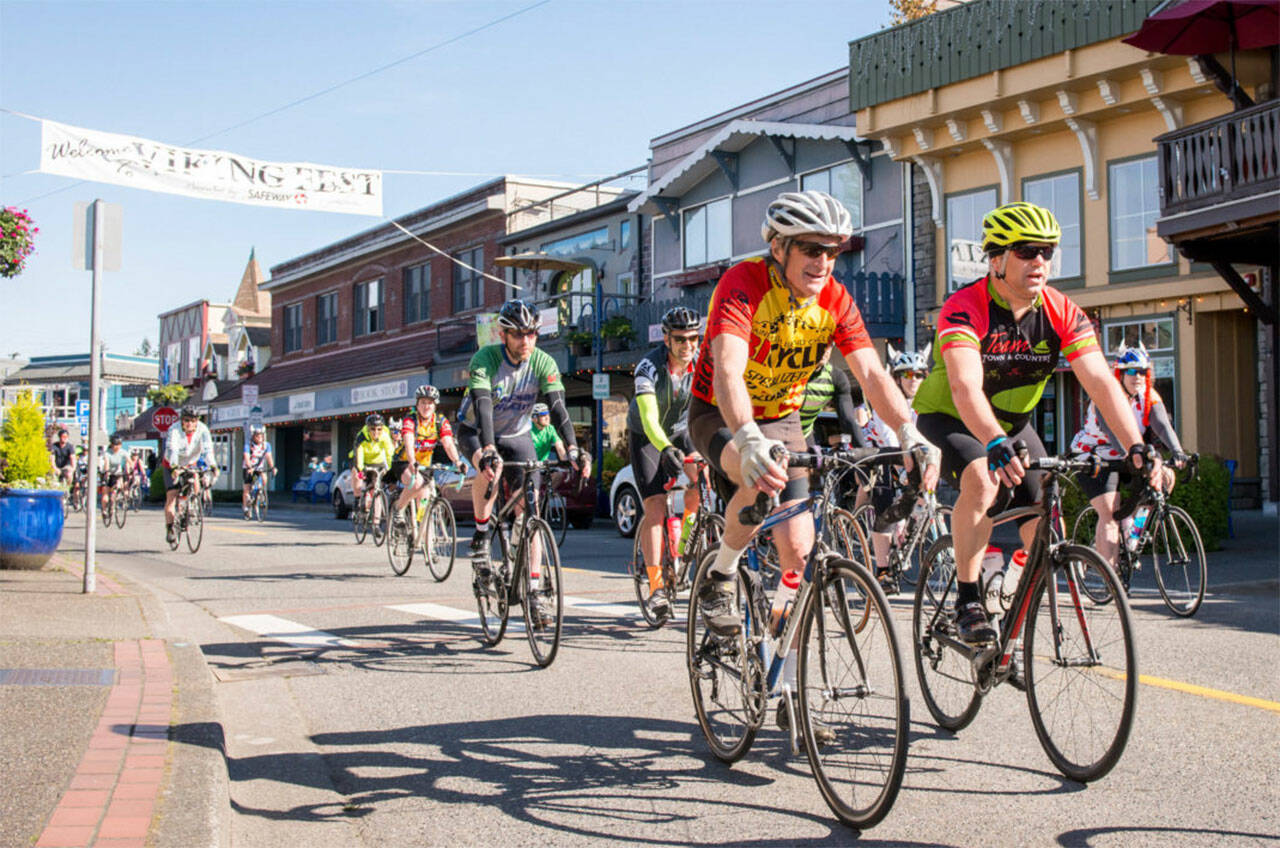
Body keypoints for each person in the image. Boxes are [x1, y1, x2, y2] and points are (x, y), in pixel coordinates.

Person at [688, 189, 940, 644]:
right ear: (779, 247)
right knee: (758, 477)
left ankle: (781, 670)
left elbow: (872, 374)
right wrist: (746, 439)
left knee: (800, 555)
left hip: (783, 418)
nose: (823, 261)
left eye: (832, 251)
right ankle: (719, 576)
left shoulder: (836, 300)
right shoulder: (742, 283)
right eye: (810, 248)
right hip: (721, 412)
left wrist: (909, 433)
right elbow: (727, 370)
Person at [913, 201, 1158, 644]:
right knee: (984, 482)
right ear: (996, 259)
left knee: (1046, 525)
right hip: (950, 416)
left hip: (1012, 422)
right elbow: (966, 388)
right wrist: (992, 442)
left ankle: (1008, 600)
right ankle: (967, 600)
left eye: (1047, 251)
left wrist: (1135, 445)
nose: (1040, 261)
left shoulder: (1061, 310)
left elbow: (1101, 382)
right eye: (1027, 251)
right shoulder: (964, 307)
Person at [455, 299, 591, 625]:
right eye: (518, 335)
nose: (526, 342)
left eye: (531, 334)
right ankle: (481, 532)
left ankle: (533, 590)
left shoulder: (542, 362)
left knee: (530, 514)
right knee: (487, 469)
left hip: (518, 436)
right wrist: (487, 449)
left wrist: (573, 449)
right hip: (476, 430)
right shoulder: (485, 359)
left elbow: (557, 407)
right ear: (503, 335)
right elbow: (483, 404)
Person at [1070, 343, 1187, 568]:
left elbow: (1163, 426)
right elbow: (1112, 432)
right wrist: (1137, 458)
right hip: (1095, 456)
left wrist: (1178, 452)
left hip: (1130, 455)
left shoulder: (1148, 396)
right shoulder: (1106, 395)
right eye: (1132, 371)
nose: (1138, 376)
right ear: (1120, 374)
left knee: (1164, 479)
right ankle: (1110, 578)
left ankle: (1133, 533)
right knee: (1109, 513)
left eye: (1143, 371)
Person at [626, 305, 704, 621]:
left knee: (701, 482)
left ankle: (683, 549)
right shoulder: (649, 367)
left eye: (694, 339)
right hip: (647, 435)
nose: (688, 347)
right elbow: (648, 417)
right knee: (656, 506)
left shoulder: (702, 363)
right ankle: (656, 587)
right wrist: (666, 447)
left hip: (685, 429)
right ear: (667, 339)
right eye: (681, 340)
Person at [858, 345, 930, 589]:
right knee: (884, 500)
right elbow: (890, 439)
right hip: (882, 455)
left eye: (919, 375)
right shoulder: (886, 401)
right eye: (908, 375)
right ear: (897, 378)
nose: (914, 380)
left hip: (909, 458)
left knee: (924, 496)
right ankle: (882, 569)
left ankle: (906, 532)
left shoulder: (924, 403)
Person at [392, 385, 462, 520]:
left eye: (430, 403)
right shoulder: (410, 420)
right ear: (417, 405)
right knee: (417, 483)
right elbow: (408, 441)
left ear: (435, 406)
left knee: (423, 505)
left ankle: (421, 533)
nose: (426, 406)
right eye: (423, 402)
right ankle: (399, 509)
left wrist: (457, 461)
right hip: (404, 462)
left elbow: (448, 443)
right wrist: (412, 461)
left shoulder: (440, 421)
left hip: (424, 465)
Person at [163, 406, 215, 544]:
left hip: (191, 462)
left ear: (197, 420)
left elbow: (208, 449)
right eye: (186, 420)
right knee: (172, 496)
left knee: (195, 478)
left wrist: (213, 466)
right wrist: (174, 467)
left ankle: (193, 503)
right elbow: (172, 450)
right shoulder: (174, 430)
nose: (190, 423)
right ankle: (170, 529)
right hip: (172, 464)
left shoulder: (203, 430)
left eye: (193, 420)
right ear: (182, 421)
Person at [797, 344, 864, 449]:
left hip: (804, 434)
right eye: (822, 343)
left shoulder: (836, 377)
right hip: (775, 431)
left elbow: (848, 420)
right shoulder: (788, 371)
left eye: (830, 345)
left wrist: (864, 453)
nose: (826, 350)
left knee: (812, 462)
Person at [351, 414, 395, 519]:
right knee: (356, 475)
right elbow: (359, 453)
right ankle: (357, 499)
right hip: (363, 461)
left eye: (379, 429)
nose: (376, 432)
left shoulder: (385, 435)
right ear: (368, 428)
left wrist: (388, 468)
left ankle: (376, 523)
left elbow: (390, 452)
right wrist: (360, 469)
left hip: (377, 462)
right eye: (373, 429)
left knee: (377, 490)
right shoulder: (361, 436)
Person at [241, 425, 276, 517]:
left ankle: (260, 493)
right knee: (247, 489)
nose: (259, 437)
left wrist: (273, 468)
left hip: (259, 467)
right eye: (257, 436)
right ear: (253, 436)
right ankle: (245, 507)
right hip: (248, 468)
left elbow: (269, 457)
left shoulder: (266, 445)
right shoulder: (248, 445)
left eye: (261, 435)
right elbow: (247, 457)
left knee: (264, 478)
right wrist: (250, 467)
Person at [99, 435, 130, 512]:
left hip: (116, 473)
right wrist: (106, 472)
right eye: (115, 445)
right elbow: (106, 463)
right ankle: (104, 510)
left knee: (117, 486)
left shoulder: (123, 452)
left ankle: (115, 500)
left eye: (118, 445)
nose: (117, 447)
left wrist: (131, 469)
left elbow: (129, 460)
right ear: (112, 445)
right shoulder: (107, 453)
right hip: (107, 473)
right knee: (105, 493)